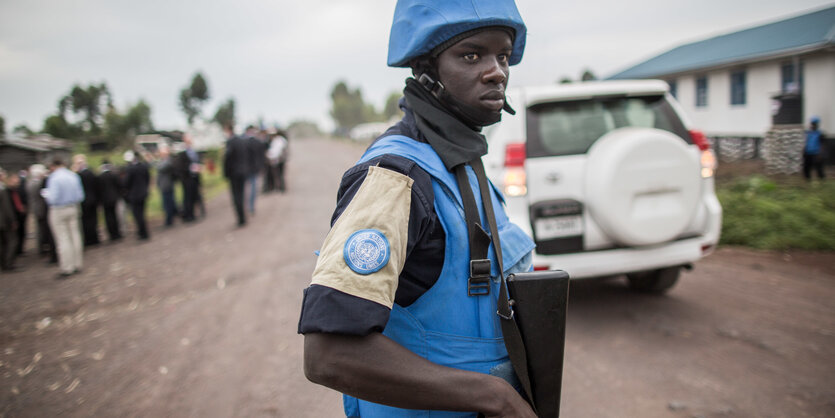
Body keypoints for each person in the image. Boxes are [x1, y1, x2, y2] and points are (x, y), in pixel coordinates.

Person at [299, 1, 537, 416]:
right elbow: (328, 352)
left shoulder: (464, 162)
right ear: (426, 71)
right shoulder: (395, 176)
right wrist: (495, 398)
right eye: (471, 54)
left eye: (502, 55)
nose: (497, 70)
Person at [43, 159, 85, 278]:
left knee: (63, 238)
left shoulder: (54, 178)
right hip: (73, 207)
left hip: (59, 209)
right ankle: (77, 263)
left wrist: (46, 195)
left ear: (53, 166)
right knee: (75, 235)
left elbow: (53, 198)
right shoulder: (73, 176)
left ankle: (67, 267)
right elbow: (80, 195)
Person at [26, 164, 56, 262]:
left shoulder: (30, 183)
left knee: (41, 229)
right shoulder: (36, 183)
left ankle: (43, 247)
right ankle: (42, 248)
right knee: (41, 230)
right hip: (40, 209)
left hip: (37, 208)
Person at [223, 124, 250, 227]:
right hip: (243, 171)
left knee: (236, 197)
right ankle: (244, 216)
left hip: (234, 173)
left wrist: (226, 173)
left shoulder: (230, 142)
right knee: (242, 195)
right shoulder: (242, 140)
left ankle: (241, 219)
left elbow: (227, 159)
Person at [73, 154, 101, 247]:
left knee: (85, 221)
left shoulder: (77, 175)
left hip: (84, 201)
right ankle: (95, 238)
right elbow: (97, 186)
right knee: (93, 220)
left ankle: (88, 239)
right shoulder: (91, 172)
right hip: (93, 199)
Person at [123, 151, 150, 240]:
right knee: (142, 213)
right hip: (143, 193)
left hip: (134, 195)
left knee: (137, 215)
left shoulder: (130, 169)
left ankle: (142, 232)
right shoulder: (143, 166)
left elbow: (126, 182)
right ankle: (144, 231)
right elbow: (147, 178)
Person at [0, 168, 21, 272]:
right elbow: (7, 207)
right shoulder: (3, 189)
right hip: (5, 221)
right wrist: (13, 220)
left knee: (3, 243)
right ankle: (9, 264)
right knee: (12, 241)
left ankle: (4, 263)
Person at [177, 134, 202, 222]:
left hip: (195, 178)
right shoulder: (182, 152)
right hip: (187, 179)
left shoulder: (194, 151)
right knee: (187, 198)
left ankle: (193, 214)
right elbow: (180, 167)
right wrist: (192, 168)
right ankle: (189, 215)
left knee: (195, 196)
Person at [153, 144, 179, 227]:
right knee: (168, 203)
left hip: (167, 185)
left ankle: (170, 220)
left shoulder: (168, 161)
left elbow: (159, 168)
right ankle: (172, 216)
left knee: (168, 203)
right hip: (164, 185)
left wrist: (152, 159)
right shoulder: (163, 160)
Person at [98, 160, 124, 241]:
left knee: (108, 217)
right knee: (115, 216)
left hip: (105, 200)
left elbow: (98, 189)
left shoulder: (100, 177)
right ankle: (117, 233)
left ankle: (111, 233)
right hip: (114, 198)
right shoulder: (113, 175)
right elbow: (120, 185)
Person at [245, 125, 266, 215]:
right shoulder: (258, 142)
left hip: (246, 168)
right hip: (255, 168)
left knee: (247, 188)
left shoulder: (244, 142)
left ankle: (247, 205)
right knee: (253, 187)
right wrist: (262, 167)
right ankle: (251, 206)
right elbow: (262, 157)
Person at [803, 116, 826, 180]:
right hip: (808, 153)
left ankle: (822, 180)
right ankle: (808, 180)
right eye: (812, 124)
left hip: (816, 153)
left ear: (817, 125)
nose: (812, 125)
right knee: (806, 168)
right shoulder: (809, 133)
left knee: (819, 169)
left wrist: (820, 154)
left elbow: (822, 144)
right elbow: (807, 142)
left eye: (814, 124)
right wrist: (804, 150)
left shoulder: (820, 134)